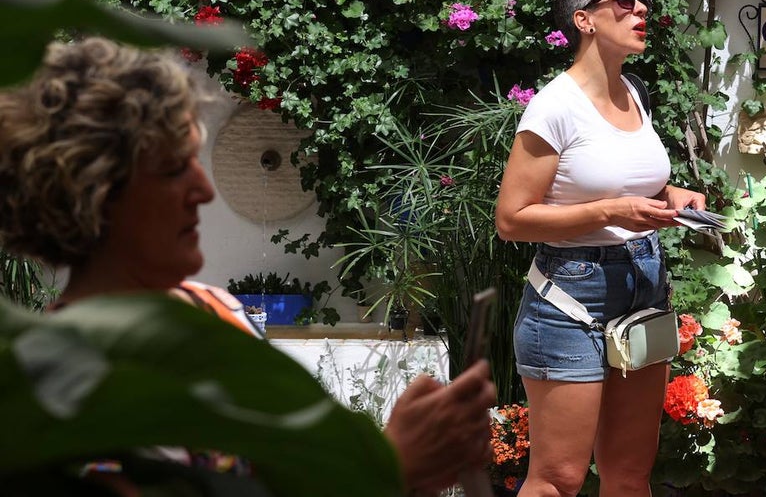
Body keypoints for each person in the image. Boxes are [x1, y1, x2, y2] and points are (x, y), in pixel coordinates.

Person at [0, 36, 495, 495]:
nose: (203, 190)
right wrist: (389, 468)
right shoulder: (65, 389)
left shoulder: (216, 310)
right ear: (98, 195)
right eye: (174, 169)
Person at [494, 0, 706, 497]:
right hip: (570, 293)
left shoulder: (634, 93)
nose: (640, 9)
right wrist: (609, 212)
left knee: (631, 475)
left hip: (642, 280)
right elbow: (512, 219)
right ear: (583, 19)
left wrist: (671, 198)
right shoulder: (554, 108)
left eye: (640, 0)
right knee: (557, 480)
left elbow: (628, 184)